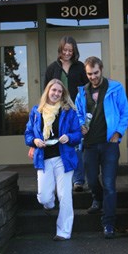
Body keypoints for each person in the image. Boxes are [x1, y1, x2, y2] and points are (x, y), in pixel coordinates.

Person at [75, 56, 128, 239]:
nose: (93, 77)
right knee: (91, 181)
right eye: (89, 74)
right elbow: (79, 114)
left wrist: (118, 133)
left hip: (109, 144)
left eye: (95, 73)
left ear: (102, 69)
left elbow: (125, 113)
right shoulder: (82, 92)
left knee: (109, 185)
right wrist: (81, 125)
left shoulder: (115, 88)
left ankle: (108, 224)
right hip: (89, 144)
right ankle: (97, 199)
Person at [24, 79, 82, 241]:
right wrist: (34, 141)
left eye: (59, 91)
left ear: (63, 94)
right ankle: (49, 206)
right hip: (43, 158)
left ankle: (63, 232)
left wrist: (68, 137)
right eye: (53, 90)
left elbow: (77, 134)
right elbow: (28, 133)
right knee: (44, 197)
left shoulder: (68, 111)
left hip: (64, 159)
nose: (56, 94)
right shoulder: (37, 112)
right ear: (47, 91)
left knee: (64, 196)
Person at [44, 35, 89, 192]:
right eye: (65, 50)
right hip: (58, 112)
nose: (68, 53)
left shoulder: (80, 67)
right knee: (61, 143)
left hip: (77, 111)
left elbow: (87, 91)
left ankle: (78, 180)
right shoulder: (52, 68)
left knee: (76, 144)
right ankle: (60, 180)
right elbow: (46, 91)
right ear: (60, 50)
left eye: (71, 50)